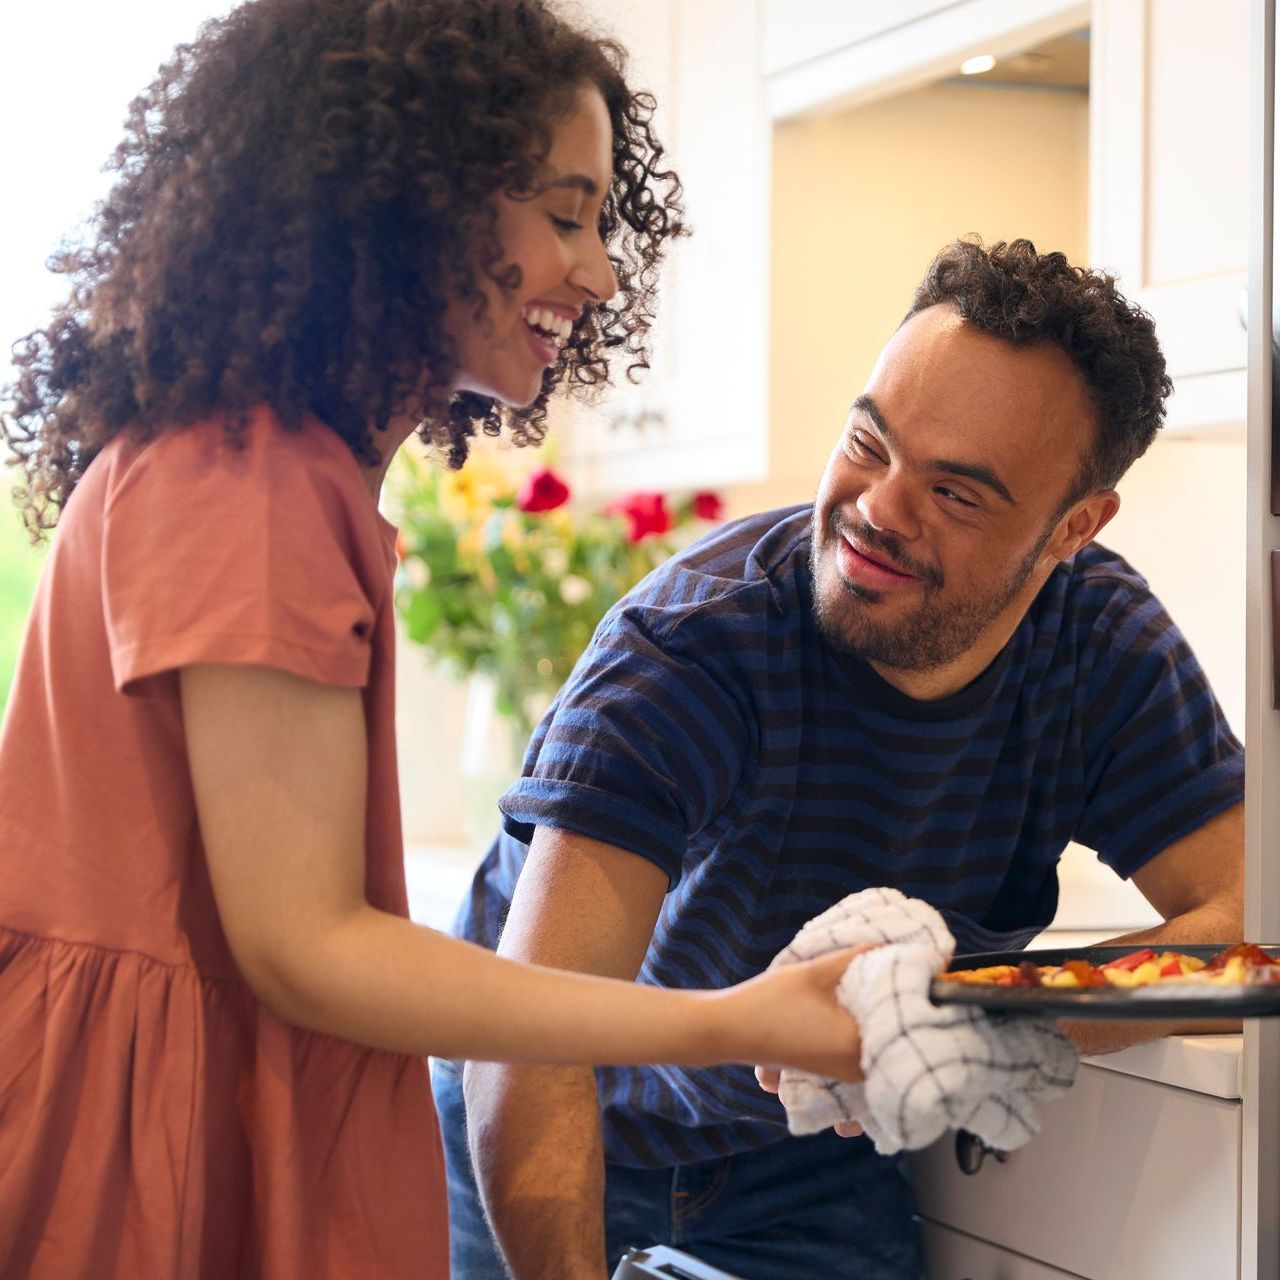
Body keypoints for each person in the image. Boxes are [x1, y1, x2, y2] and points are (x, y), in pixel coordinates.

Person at [0, 3, 871, 1276]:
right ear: (412, 208)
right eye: (563, 215)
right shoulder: (254, 483)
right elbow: (307, 945)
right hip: (145, 1140)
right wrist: (727, 1018)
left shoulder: (253, 458)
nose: (600, 272)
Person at [442, 238, 1246, 1280]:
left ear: (1071, 529)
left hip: (798, 1152)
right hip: (563, 1119)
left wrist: (987, 1009)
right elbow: (532, 1039)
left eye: (955, 494)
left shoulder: (1096, 643)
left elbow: (1246, 928)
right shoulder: (689, 652)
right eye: (869, 441)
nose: (876, 509)